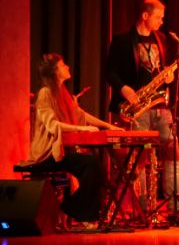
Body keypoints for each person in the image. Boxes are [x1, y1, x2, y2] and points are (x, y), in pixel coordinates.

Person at [105, 0, 179, 211]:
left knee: (173, 153)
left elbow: (161, 69)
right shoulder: (122, 40)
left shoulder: (161, 39)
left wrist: (168, 78)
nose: (161, 22)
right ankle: (144, 208)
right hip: (136, 108)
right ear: (145, 16)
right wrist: (124, 89)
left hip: (159, 105)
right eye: (158, 17)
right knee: (139, 159)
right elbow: (109, 71)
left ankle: (174, 206)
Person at [24, 53, 115, 227]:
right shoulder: (45, 93)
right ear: (55, 71)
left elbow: (82, 115)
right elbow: (53, 125)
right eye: (63, 65)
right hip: (47, 155)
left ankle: (80, 211)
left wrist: (108, 126)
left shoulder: (63, 94)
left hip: (61, 153)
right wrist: (82, 129)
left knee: (94, 166)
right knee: (91, 164)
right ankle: (77, 211)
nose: (67, 67)